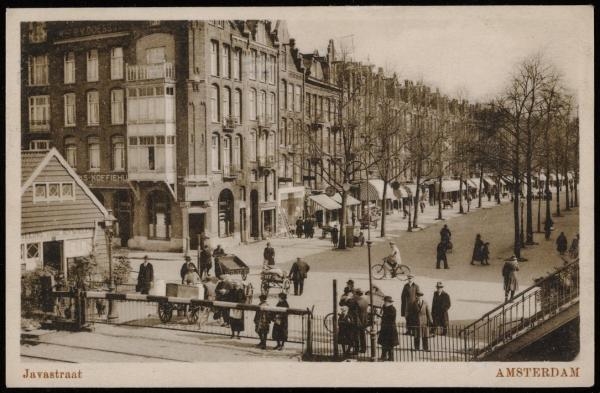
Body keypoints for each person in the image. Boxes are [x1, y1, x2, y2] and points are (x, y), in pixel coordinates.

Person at [378, 296, 399, 361]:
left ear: (388, 302)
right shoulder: (385, 307)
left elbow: (391, 318)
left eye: (385, 301)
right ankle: (383, 356)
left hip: (390, 330)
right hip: (385, 329)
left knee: (390, 345)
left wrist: (382, 316)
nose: (384, 303)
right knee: (384, 344)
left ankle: (390, 357)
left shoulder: (392, 309)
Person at [348, 288, 369, 354]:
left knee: (356, 336)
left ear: (355, 293)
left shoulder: (354, 300)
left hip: (356, 321)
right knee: (362, 335)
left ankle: (356, 350)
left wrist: (348, 298)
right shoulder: (365, 300)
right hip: (364, 320)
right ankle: (363, 349)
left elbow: (350, 309)